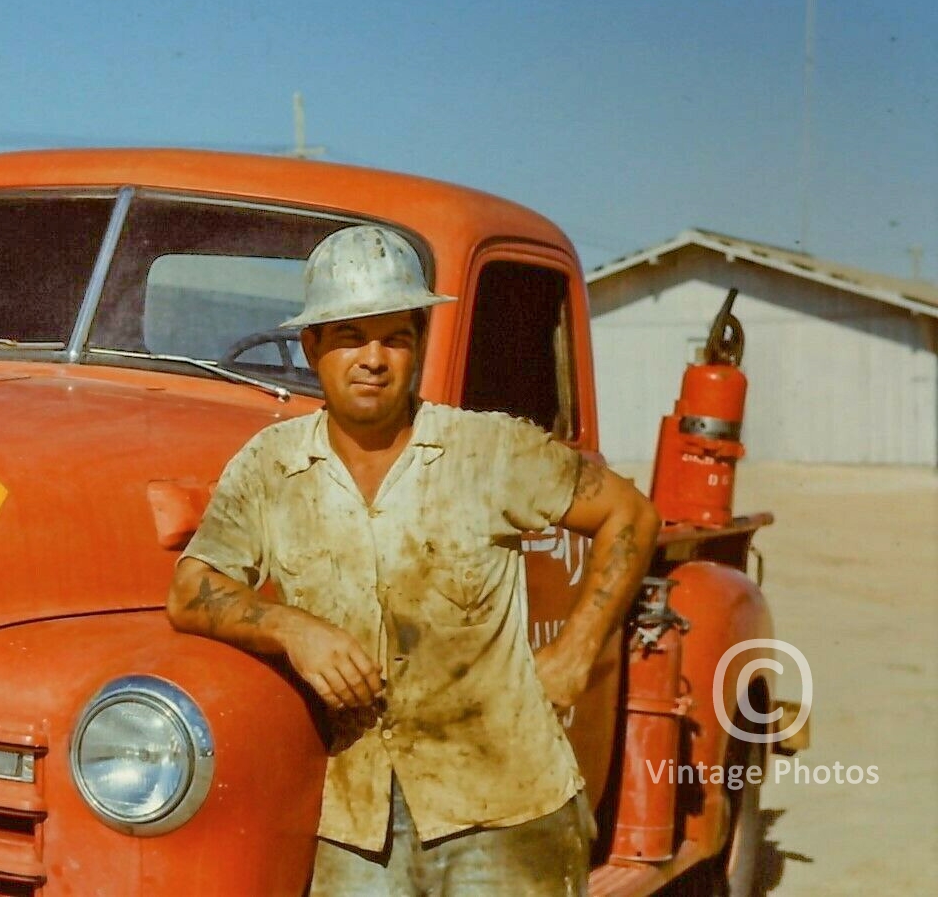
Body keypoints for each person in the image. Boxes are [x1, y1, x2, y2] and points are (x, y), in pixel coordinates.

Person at [166, 225, 659, 896]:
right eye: (349, 337)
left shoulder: (487, 450)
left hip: (504, 807)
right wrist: (290, 628)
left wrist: (577, 650)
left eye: (394, 337)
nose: (373, 359)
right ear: (311, 347)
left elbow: (630, 513)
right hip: (353, 822)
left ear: (419, 347)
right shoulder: (270, 466)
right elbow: (191, 588)